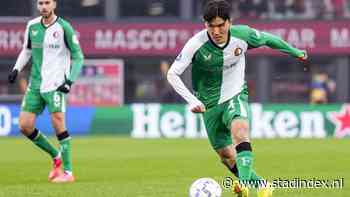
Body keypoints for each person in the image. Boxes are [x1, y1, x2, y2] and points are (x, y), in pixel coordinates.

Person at [167, 0, 307, 196]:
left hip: (235, 94)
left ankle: (243, 184)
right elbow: (172, 74)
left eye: (220, 25)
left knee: (240, 131)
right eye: (210, 26)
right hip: (209, 105)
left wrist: (296, 52)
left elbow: (268, 39)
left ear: (229, 22)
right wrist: (193, 101)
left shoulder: (243, 35)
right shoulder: (196, 44)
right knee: (226, 155)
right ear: (204, 24)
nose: (216, 31)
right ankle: (262, 185)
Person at [7, 0, 84, 183]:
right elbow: (26, 51)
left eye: (47, 3)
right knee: (25, 126)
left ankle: (68, 172)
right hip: (35, 84)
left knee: (58, 123)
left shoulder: (64, 27)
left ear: (54, 5)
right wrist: (16, 69)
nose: (43, 6)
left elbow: (78, 56)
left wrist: (69, 81)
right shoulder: (32, 26)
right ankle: (56, 156)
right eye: (40, 3)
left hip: (56, 84)